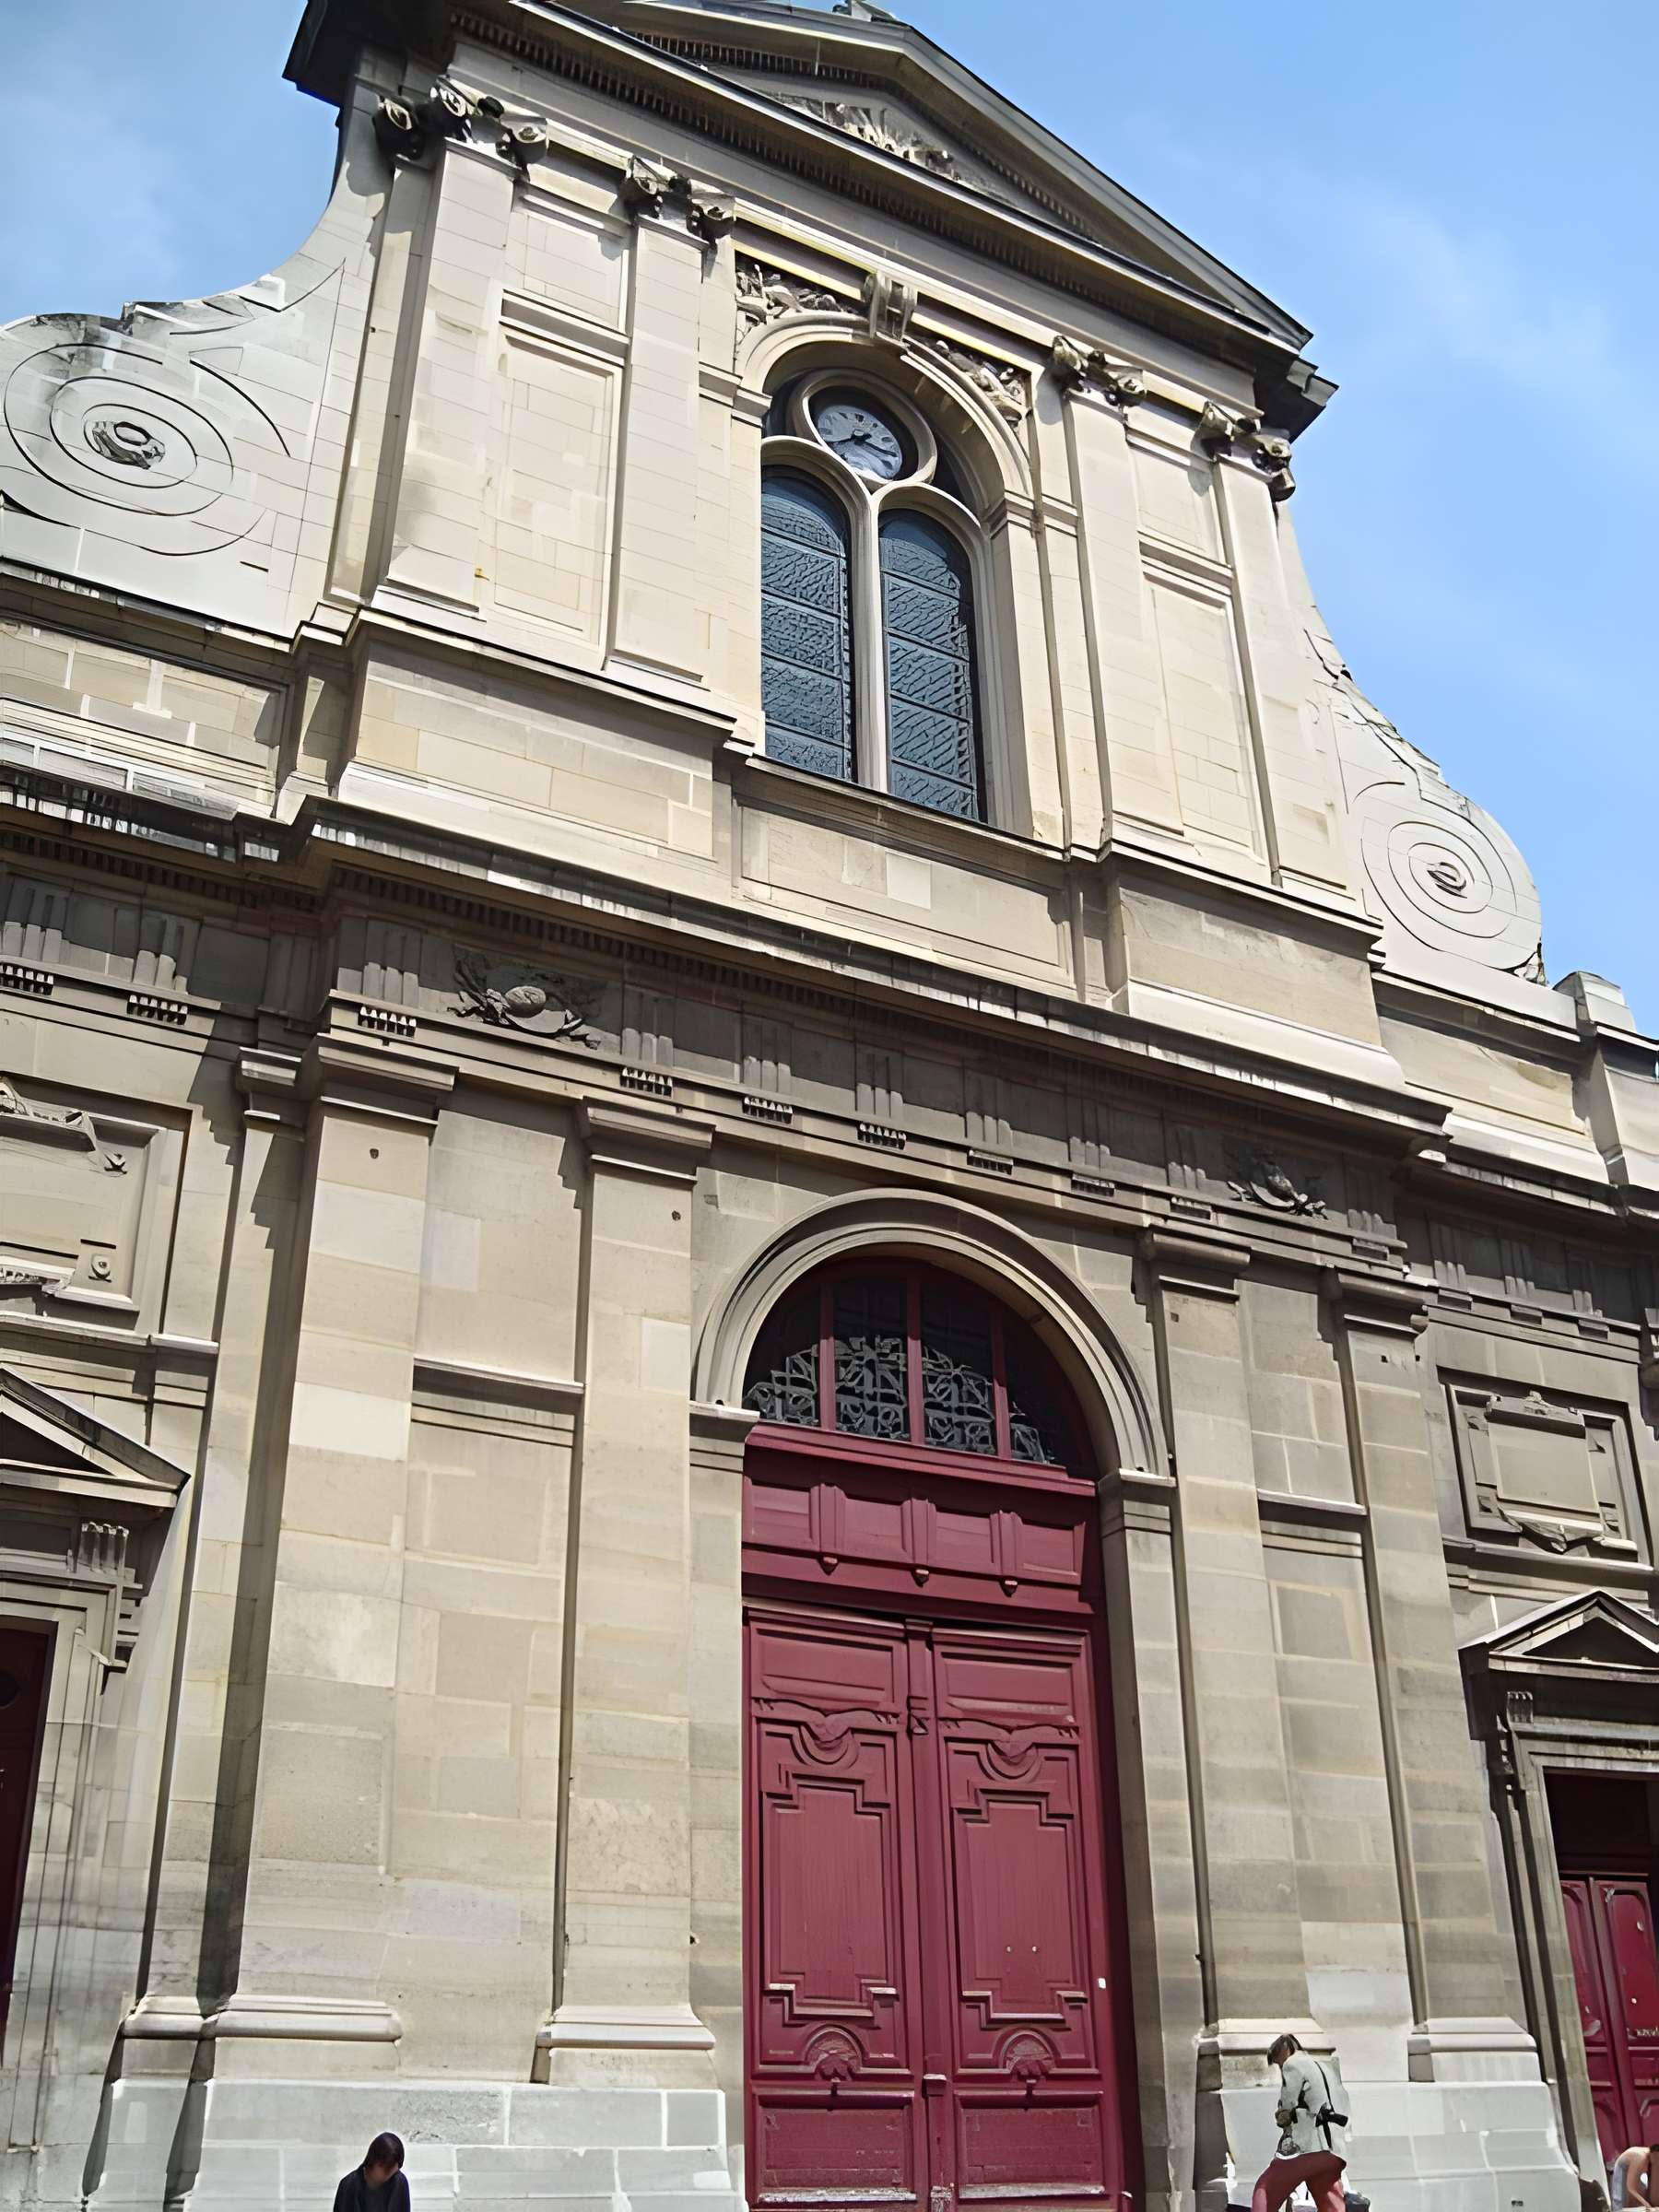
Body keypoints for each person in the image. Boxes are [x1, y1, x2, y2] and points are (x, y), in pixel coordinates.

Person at [1248, 2033, 1348, 2212]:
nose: (1280, 2068)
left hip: (1309, 2146)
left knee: (1265, 2189)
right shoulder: (1326, 2066)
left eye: (1278, 2063)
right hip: (1335, 2149)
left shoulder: (1292, 2064)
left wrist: (1281, 2116)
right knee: (1331, 2203)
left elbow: (1288, 2104)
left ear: (1282, 2052)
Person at [332, 2132, 409, 2212]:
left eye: (395, 2172)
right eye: (388, 2170)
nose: (391, 2176)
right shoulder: (349, 2185)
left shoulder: (399, 2182)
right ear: (374, 2161)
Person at [1611, 2144, 1656, 2209]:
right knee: (1620, 2200)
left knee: (1643, 2189)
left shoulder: (1648, 2156)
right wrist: (1647, 2205)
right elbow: (1631, 2188)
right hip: (1622, 2169)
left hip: (1633, 2168)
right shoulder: (1641, 2157)